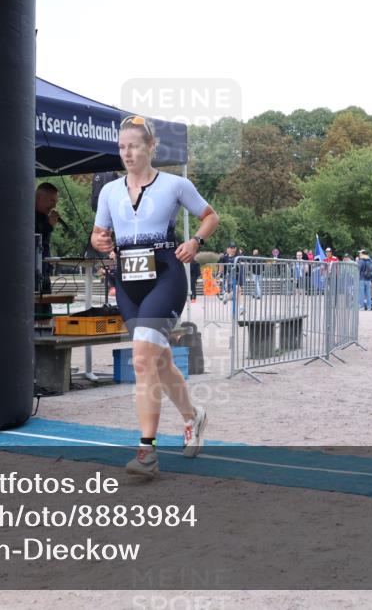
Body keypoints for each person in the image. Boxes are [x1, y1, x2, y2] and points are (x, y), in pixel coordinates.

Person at [90, 115, 219, 477]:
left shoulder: (175, 184)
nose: (126, 153)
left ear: (150, 148)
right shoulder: (110, 191)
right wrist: (99, 241)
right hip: (128, 281)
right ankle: (194, 416)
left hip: (165, 274)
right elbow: (99, 234)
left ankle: (147, 451)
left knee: (143, 358)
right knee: (158, 362)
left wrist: (196, 241)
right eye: (121, 147)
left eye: (133, 146)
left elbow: (210, 216)